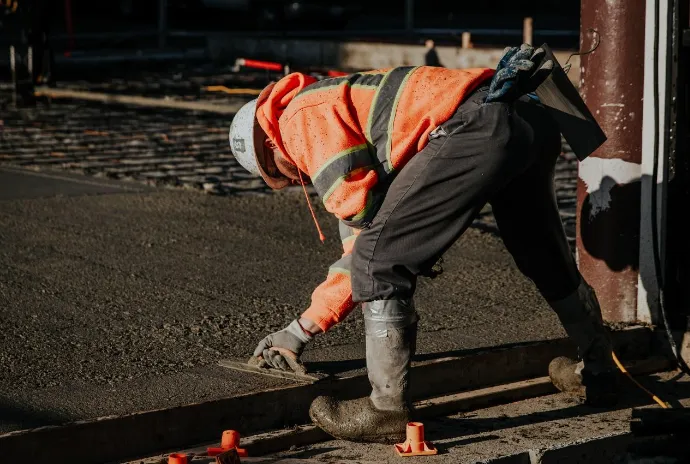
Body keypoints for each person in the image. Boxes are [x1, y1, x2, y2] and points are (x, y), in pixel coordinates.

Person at [228, 44, 619, 444]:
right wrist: (303, 329)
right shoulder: (336, 103)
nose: (295, 181)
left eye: (280, 174)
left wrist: (299, 331)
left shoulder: (300, 123)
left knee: (379, 263)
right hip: (527, 115)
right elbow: (367, 230)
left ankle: (386, 410)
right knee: (542, 253)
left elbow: (367, 249)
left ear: (269, 145)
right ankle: (599, 368)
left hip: (478, 124)